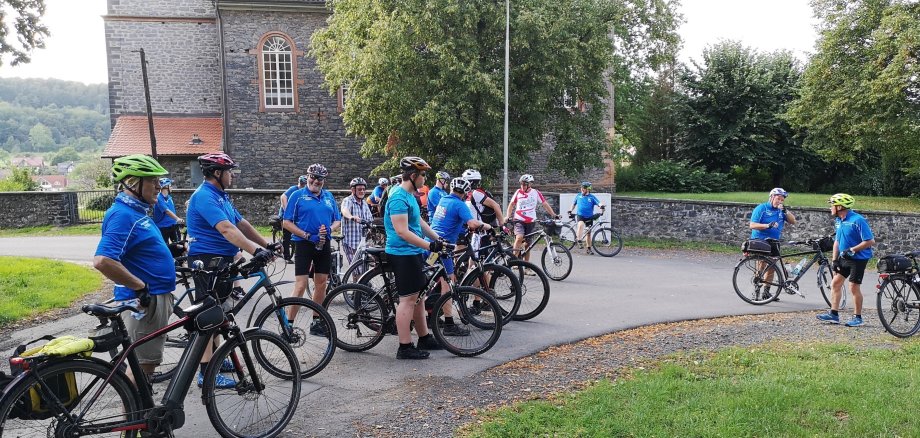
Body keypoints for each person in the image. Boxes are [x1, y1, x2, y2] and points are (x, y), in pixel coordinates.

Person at [186, 152, 275, 388]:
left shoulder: (221, 197)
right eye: (229, 172)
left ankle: (216, 359)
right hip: (206, 262)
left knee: (220, 313)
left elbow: (241, 224)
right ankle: (206, 374)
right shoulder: (205, 196)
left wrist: (266, 244)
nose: (232, 176)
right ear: (217, 173)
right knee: (208, 317)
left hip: (221, 261)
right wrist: (255, 252)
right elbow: (226, 229)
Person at [93, 155, 174, 381]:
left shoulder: (137, 212)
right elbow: (103, 260)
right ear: (132, 182)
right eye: (152, 181)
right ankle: (136, 415)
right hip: (144, 303)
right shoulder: (123, 215)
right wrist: (140, 287)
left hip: (154, 298)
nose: (159, 186)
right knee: (140, 368)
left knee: (144, 367)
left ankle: (140, 411)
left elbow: (137, 249)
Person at [384, 156, 445, 359]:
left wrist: (438, 239)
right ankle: (404, 346)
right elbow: (402, 231)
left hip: (413, 252)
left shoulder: (410, 196)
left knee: (419, 298)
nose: (424, 179)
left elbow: (418, 222)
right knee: (408, 300)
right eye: (423, 175)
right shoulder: (398, 198)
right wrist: (429, 245)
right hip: (402, 253)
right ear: (412, 176)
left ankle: (424, 337)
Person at [429, 177, 493, 336]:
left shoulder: (444, 199)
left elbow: (449, 220)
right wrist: (489, 226)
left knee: (431, 281)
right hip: (443, 248)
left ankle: (431, 315)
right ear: (465, 193)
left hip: (431, 242)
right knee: (448, 283)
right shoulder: (460, 204)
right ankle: (449, 323)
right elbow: (473, 223)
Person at [282, 163, 341, 333]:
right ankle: (288, 324)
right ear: (307, 177)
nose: (316, 180)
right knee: (300, 285)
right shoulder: (297, 196)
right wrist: (307, 235)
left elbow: (337, 220)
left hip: (324, 242)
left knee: (321, 283)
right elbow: (286, 223)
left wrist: (330, 228)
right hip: (304, 243)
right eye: (313, 177)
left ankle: (316, 322)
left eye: (320, 178)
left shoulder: (329, 196)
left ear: (324, 180)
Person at [817, 193, 875, 327]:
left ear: (840, 207)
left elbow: (870, 241)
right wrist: (834, 260)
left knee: (853, 287)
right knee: (835, 284)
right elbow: (837, 241)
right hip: (844, 258)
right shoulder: (839, 220)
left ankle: (858, 318)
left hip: (858, 259)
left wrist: (853, 250)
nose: (830, 207)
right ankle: (833, 314)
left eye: (832, 205)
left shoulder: (857, 220)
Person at [748, 188, 797, 301]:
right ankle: (756, 292)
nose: (780, 201)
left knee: (772, 267)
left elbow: (793, 221)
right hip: (761, 240)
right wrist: (767, 225)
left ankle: (766, 292)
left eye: (782, 200)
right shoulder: (762, 208)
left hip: (774, 241)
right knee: (761, 265)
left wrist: (786, 211)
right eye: (778, 198)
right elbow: (752, 225)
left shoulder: (781, 211)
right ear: (771, 197)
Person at [505, 174, 557, 263]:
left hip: (530, 221)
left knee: (528, 245)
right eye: (521, 184)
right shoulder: (518, 192)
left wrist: (553, 214)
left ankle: (526, 267)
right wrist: (507, 216)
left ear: (530, 184)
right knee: (519, 237)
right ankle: (513, 261)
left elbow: (545, 204)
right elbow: (511, 204)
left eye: (524, 184)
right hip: (519, 220)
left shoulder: (535, 193)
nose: (522, 186)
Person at [340, 177, 374, 277]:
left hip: (363, 242)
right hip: (351, 242)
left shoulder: (364, 203)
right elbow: (344, 210)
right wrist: (351, 217)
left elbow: (370, 219)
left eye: (364, 189)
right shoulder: (348, 200)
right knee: (357, 270)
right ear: (353, 190)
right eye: (359, 189)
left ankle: (362, 289)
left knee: (365, 269)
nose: (362, 191)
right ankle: (357, 291)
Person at [567, 181, 606, 255]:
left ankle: (588, 249)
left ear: (588, 189)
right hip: (580, 215)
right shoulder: (578, 196)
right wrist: (570, 210)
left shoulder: (592, 197)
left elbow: (599, 203)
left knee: (588, 233)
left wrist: (601, 206)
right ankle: (578, 240)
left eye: (584, 188)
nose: (582, 189)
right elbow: (573, 204)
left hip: (589, 217)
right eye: (581, 187)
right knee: (581, 225)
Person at [278, 175, 308, 262]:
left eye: (304, 184)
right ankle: (287, 257)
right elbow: (283, 197)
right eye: (301, 184)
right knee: (287, 236)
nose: (302, 186)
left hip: (297, 217)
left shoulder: (306, 192)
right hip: (285, 216)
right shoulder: (293, 189)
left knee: (299, 234)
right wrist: (287, 210)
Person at [153, 177, 184, 245]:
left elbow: (172, 210)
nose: (171, 187)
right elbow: (166, 211)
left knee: (178, 244)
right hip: (163, 227)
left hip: (173, 225)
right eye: (170, 185)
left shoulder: (169, 198)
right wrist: (177, 218)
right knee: (164, 245)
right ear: (166, 187)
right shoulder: (159, 198)